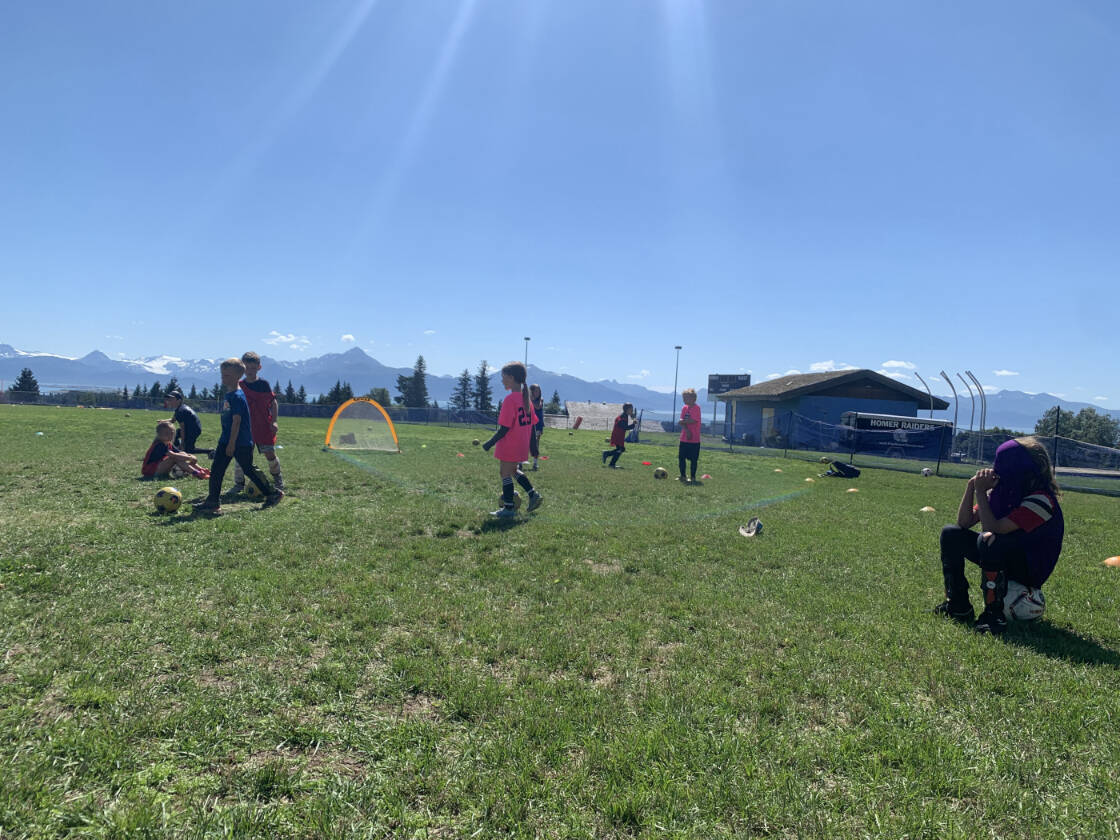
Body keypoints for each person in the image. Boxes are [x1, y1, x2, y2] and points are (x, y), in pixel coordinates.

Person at [934, 436, 1064, 635]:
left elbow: (994, 528)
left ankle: (993, 614)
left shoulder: (1041, 500)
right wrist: (971, 487)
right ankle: (958, 604)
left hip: (1029, 567)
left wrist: (980, 492)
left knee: (988, 539)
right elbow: (964, 522)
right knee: (951, 534)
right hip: (1002, 552)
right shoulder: (1003, 493)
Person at [193, 358, 281, 515]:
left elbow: (237, 421)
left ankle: (273, 493)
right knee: (217, 470)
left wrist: (232, 443)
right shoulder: (230, 394)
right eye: (222, 375)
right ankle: (213, 501)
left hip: (239, 442)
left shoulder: (238, 396)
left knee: (249, 469)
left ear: (237, 377)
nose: (222, 378)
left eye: (226, 375)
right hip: (226, 440)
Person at [482, 362, 543, 518]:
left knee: (505, 473)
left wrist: (490, 443)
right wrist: (533, 446)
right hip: (520, 444)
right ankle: (533, 494)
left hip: (510, 444)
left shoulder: (510, 400)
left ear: (511, 378)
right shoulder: (526, 400)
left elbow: (504, 428)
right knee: (513, 471)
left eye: (503, 377)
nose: (502, 381)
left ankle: (509, 508)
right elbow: (533, 426)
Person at [230, 351, 285, 494]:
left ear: (259, 368)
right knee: (241, 456)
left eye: (253, 368)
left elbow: (273, 403)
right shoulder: (239, 385)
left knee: (270, 454)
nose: (250, 371)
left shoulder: (263, 385)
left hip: (263, 427)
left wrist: (274, 421)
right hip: (245, 428)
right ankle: (239, 483)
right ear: (242, 368)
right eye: (247, 368)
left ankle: (278, 479)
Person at [141, 420, 209, 479]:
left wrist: (190, 456)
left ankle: (201, 470)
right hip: (150, 471)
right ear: (159, 434)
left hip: (159, 468)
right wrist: (190, 458)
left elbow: (181, 453)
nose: (170, 435)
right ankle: (196, 473)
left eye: (172, 433)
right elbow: (173, 455)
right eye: (166, 433)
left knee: (181, 454)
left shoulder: (169, 444)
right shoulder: (159, 444)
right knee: (175, 458)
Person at [163, 388, 207, 454]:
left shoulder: (180, 411)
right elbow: (173, 420)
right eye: (169, 399)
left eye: (172, 399)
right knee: (175, 433)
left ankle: (210, 451)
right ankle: (176, 449)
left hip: (193, 430)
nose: (169, 401)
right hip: (192, 428)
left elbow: (182, 428)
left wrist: (183, 443)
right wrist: (162, 421)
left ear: (179, 400)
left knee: (189, 450)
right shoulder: (180, 408)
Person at [677, 387, 702, 484]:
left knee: (693, 460)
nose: (684, 400)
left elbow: (693, 420)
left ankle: (693, 477)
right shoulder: (684, 408)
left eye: (686, 398)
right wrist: (687, 431)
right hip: (684, 439)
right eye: (683, 398)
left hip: (694, 440)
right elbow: (682, 422)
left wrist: (682, 422)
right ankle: (683, 476)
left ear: (693, 399)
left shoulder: (696, 408)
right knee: (681, 458)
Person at [601, 403, 637, 468]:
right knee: (621, 449)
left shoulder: (625, 415)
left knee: (620, 449)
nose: (632, 411)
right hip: (618, 435)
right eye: (631, 409)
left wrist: (633, 417)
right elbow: (625, 427)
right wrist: (633, 424)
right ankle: (607, 455)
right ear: (627, 410)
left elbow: (625, 424)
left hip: (619, 435)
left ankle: (611, 463)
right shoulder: (623, 417)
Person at [528, 383, 545, 471]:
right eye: (536, 391)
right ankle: (520, 462)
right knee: (525, 442)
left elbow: (538, 406)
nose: (538, 392)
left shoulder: (540, 400)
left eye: (539, 391)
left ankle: (535, 463)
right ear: (532, 391)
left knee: (536, 443)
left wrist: (530, 399)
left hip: (538, 424)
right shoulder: (527, 400)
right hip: (529, 423)